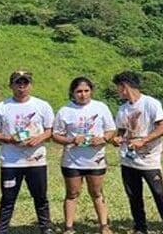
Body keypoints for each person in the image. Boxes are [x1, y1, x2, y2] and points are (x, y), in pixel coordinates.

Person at [111, 71, 163, 234]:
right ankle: (140, 227)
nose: (118, 91)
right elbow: (121, 131)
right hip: (128, 159)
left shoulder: (150, 103)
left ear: (124, 87)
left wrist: (144, 140)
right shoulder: (123, 109)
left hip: (149, 159)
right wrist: (117, 139)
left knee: (159, 194)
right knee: (134, 195)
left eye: (118, 87)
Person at [0, 71, 56, 234]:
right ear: (11, 86)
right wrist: (8, 138)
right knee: (8, 198)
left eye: (25, 83)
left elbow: (49, 129)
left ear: (30, 85)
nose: (21, 86)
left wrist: (39, 139)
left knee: (40, 196)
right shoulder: (1, 107)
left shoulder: (42, 105)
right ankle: (2, 229)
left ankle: (45, 227)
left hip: (36, 159)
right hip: (11, 161)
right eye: (18, 83)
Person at [52, 77, 116, 234]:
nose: (83, 94)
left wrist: (103, 139)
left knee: (96, 192)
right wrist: (71, 140)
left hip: (95, 159)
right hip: (72, 160)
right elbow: (56, 135)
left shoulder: (101, 107)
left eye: (86, 91)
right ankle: (68, 227)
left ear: (91, 91)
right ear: (72, 93)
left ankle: (104, 225)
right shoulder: (64, 111)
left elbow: (111, 130)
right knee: (72, 194)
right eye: (79, 91)